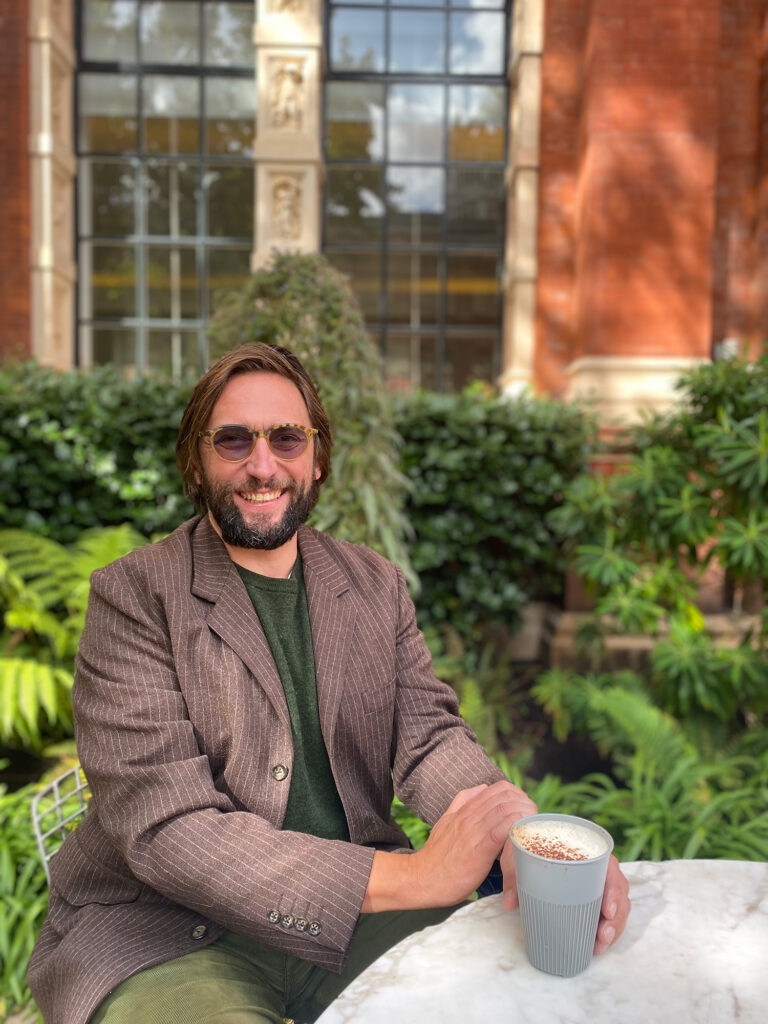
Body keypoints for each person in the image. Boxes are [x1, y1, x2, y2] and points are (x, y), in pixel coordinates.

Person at [28, 344, 629, 1024]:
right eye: (234, 440)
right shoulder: (134, 596)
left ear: (317, 458)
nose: (263, 466)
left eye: (287, 438)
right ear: (197, 461)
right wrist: (417, 876)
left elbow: (428, 738)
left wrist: (521, 835)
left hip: (354, 923)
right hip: (166, 934)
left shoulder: (374, 585)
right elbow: (171, 830)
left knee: (511, 1003)